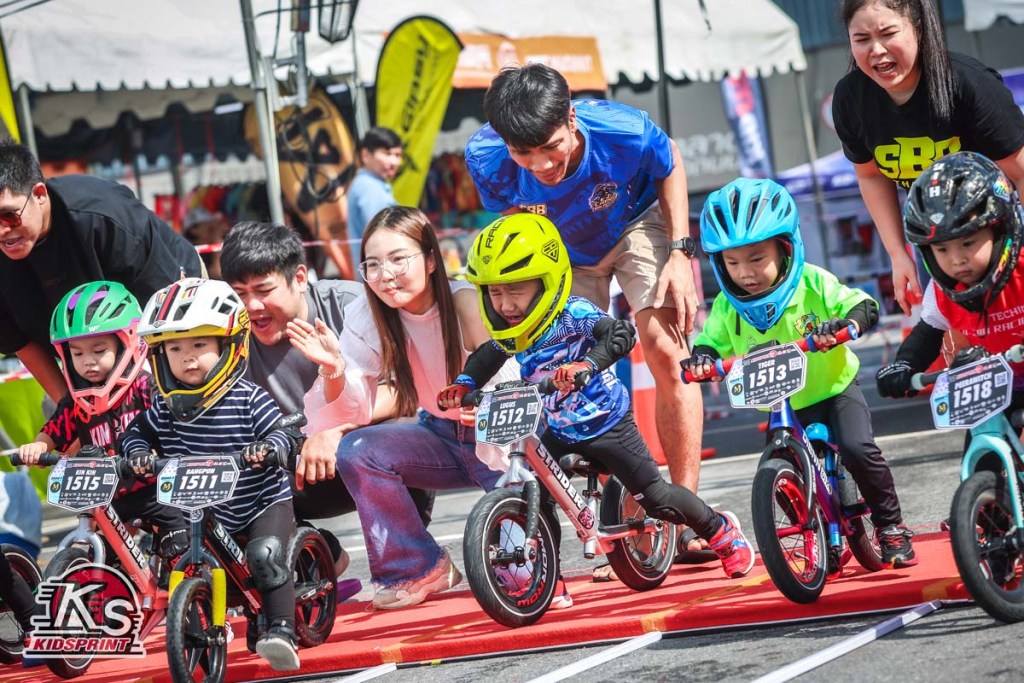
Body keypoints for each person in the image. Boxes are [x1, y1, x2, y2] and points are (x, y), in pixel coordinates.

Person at [465, 64, 708, 568]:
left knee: (664, 347)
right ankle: (619, 523)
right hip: (561, 252)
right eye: (523, 153)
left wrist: (680, 255)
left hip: (636, 222)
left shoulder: (623, 128)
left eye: (550, 147)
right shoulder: (485, 156)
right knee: (573, 374)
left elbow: (670, 163)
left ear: (571, 119)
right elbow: (518, 225)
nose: (540, 165)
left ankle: (684, 514)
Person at [437, 213, 755, 580]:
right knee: (536, 498)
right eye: (496, 293)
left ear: (546, 283)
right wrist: (464, 384)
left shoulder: (573, 313)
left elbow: (620, 334)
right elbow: (488, 355)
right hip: (558, 429)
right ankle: (546, 578)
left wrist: (584, 364)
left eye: (515, 290)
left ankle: (721, 531)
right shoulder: (511, 330)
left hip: (608, 424)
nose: (506, 305)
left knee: (656, 498)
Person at [288, 206, 520, 610]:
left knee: (521, 580)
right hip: (440, 435)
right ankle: (418, 567)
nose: (385, 274)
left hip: (498, 437)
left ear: (430, 260)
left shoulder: (466, 302)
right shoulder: (367, 314)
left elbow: (510, 388)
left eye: (398, 259)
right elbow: (352, 408)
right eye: (373, 265)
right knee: (358, 450)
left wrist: (484, 407)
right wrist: (333, 367)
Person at [681, 178, 916, 569]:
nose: (745, 273)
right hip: (782, 407)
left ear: (785, 248)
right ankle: (816, 533)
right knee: (776, 474)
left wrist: (845, 324)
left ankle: (891, 526)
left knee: (858, 449)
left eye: (757, 259)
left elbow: (860, 304)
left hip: (834, 390)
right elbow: (711, 342)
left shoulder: (813, 281)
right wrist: (701, 359)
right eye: (732, 263)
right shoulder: (726, 306)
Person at [219, 220, 435, 575]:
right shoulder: (227, 335)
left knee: (406, 430)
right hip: (293, 472)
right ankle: (320, 558)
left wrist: (334, 431)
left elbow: (409, 390)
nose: (252, 305)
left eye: (263, 290)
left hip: (367, 449)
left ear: (300, 278)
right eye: (239, 293)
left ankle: (413, 556)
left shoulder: (353, 305)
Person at [119, 277, 302, 671]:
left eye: (199, 345)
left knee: (265, 554)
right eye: (175, 348)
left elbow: (282, 432)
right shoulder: (164, 408)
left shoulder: (248, 398)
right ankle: (197, 629)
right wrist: (137, 454)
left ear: (227, 346)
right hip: (202, 507)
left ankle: (283, 630)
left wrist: (268, 449)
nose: (187, 358)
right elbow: (134, 434)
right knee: (179, 560)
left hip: (259, 502)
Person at [832, 0, 1024, 316]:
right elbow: (871, 175)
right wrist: (898, 254)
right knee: (952, 338)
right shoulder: (850, 98)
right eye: (862, 39)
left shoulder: (969, 83)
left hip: (998, 235)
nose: (876, 50)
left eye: (888, 33)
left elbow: (1020, 171)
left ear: (918, 29)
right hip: (935, 245)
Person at [0, 141, 204, 403]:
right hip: (87, 350)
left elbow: (166, 310)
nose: (3, 231)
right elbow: (20, 341)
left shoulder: (105, 216)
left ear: (39, 194)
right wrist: (71, 410)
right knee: (57, 409)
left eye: (8, 216)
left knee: (173, 400)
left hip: (171, 305)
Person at [17, 281, 188, 563]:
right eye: (77, 353)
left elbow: (174, 427)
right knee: (105, 562)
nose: (88, 361)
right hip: (111, 496)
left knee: (179, 551)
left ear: (126, 343)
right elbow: (55, 430)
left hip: (158, 490)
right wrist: (37, 447)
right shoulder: (77, 400)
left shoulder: (146, 386)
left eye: (98, 350)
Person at [876, 152, 1024, 398]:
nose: (957, 260)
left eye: (968, 243)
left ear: (999, 231)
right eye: (942, 249)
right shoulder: (943, 290)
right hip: (1000, 393)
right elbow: (926, 335)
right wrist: (904, 365)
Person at [346, 128, 403, 272]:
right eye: (387, 154)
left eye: (397, 155)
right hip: (383, 273)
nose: (394, 161)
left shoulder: (368, 184)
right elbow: (382, 234)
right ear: (365, 155)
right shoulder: (369, 187)